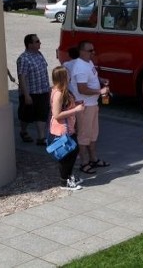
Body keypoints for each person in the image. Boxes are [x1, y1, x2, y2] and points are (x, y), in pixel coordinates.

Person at [71, 40, 111, 174]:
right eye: (90, 51)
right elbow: (82, 89)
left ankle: (93, 159)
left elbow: (93, 77)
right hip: (85, 106)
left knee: (93, 134)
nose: (93, 53)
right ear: (81, 52)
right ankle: (84, 162)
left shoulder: (88, 63)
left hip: (92, 105)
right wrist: (99, 92)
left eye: (93, 50)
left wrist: (101, 80)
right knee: (83, 135)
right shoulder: (80, 67)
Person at [49, 66, 85, 190]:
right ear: (63, 77)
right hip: (62, 130)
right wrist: (75, 109)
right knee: (67, 155)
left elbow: (66, 107)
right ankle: (64, 181)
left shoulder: (64, 90)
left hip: (69, 128)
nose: (70, 76)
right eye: (67, 74)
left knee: (73, 152)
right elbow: (57, 114)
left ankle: (69, 177)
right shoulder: (58, 93)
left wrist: (75, 104)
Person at [16, 34, 50, 145]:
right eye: (37, 41)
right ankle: (23, 131)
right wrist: (26, 95)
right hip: (31, 93)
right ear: (30, 44)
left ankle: (41, 138)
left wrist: (48, 89)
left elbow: (44, 72)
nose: (39, 43)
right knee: (26, 116)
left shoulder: (39, 54)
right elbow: (22, 77)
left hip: (42, 91)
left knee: (42, 114)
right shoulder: (23, 58)